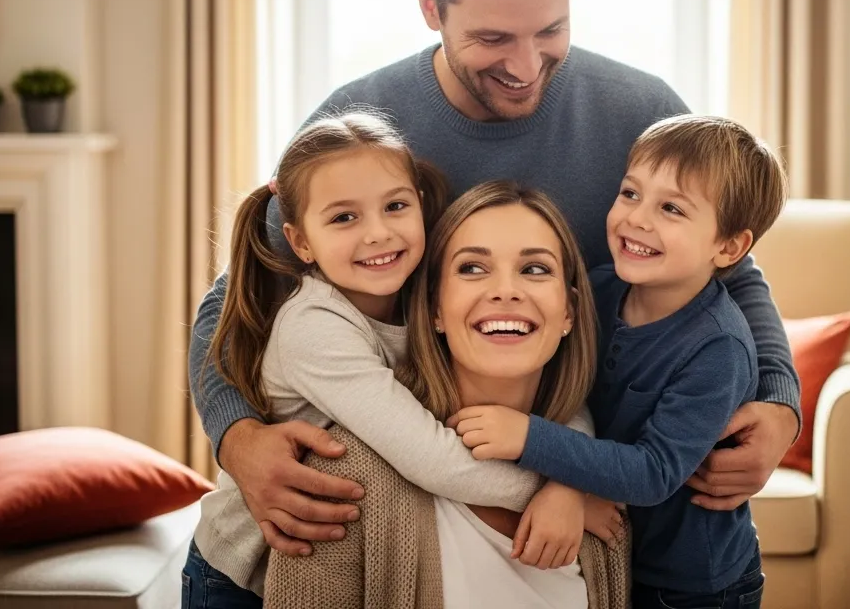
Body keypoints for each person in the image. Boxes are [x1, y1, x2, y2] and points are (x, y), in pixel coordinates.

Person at [187, 0, 801, 561]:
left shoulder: (641, 112)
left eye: (551, 29)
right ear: (429, 6)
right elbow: (234, 301)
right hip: (398, 518)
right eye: (492, 39)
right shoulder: (360, 127)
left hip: (571, 507)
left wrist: (782, 403)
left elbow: (734, 277)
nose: (527, 64)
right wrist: (236, 436)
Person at [183, 114, 603, 605]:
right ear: (300, 242)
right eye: (344, 217)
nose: (378, 234)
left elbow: (564, 396)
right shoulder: (313, 329)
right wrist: (565, 490)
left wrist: (573, 477)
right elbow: (436, 461)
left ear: (420, 207)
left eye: (395, 206)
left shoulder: (418, 293)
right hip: (243, 570)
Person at [449, 116, 786, 608]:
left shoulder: (719, 350)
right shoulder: (601, 289)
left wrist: (527, 437)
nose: (637, 219)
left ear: (728, 246)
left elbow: (653, 473)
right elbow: (572, 391)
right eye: (630, 194)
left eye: (671, 208)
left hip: (694, 584)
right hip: (619, 554)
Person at [264, 182, 630, 609]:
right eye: (473, 268)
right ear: (435, 308)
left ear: (568, 312)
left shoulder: (603, 488)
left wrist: (572, 478)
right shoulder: (346, 480)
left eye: (534, 269)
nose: (506, 291)